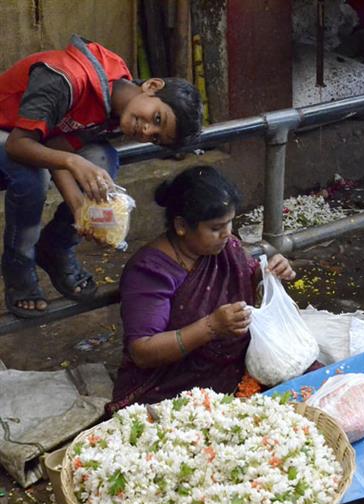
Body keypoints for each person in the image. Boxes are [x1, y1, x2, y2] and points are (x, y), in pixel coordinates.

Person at [0, 34, 202, 318]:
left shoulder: (116, 109)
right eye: (157, 119)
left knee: (103, 159)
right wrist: (73, 163)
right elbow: (19, 145)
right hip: (8, 130)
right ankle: (17, 264)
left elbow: (56, 142)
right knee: (33, 177)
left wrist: (79, 208)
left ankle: (56, 246)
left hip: (34, 138)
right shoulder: (66, 80)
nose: (146, 132)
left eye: (155, 138)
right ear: (152, 86)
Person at [107, 166, 296, 412]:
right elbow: (143, 350)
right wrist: (211, 327)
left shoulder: (226, 247)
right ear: (182, 226)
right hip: (170, 389)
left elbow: (247, 283)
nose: (227, 234)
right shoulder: (150, 272)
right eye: (216, 228)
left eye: (230, 223)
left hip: (237, 371)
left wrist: (269, 277)